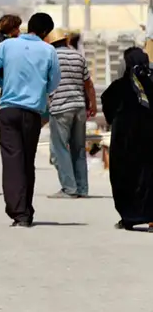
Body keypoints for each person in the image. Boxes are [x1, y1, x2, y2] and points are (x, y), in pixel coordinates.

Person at [0, 13, 60, 227]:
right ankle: (26, 211)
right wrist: (39, 90)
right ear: (45, 32)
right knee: (26, 162)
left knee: (12, 162)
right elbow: (54, 82)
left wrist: (3, 83)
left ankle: (18, 211)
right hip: (32, 112)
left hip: (9, 110)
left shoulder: (7, 46)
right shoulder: (49, 50)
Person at [101, 47, 153, 231]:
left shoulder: (119, 86)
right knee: (148, 177)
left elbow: (106, 102)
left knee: (123, 175)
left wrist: (114, 119)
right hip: (149, 139)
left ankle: (129, 217)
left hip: (124, 140)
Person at [45, 28, 97, 199]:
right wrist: (93, 105)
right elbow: (88, 84)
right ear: (66, 41)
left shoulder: (51, 57)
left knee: (59, 149)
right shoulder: (78, 56)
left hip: (61, 107)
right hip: (79, 107)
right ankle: (82, 188)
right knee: (79, 149)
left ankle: (69, 188)